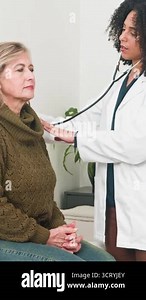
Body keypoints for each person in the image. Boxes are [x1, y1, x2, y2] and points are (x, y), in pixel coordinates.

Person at [41, 0, 146, 261]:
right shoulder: (122, 80)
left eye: (133, 32)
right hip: (115, 202)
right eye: (122, 29)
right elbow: (83, 120)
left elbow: (135, 145)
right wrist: (34, 121)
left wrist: (77, 138)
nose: (122, 37)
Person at [0, 41, 115, 261]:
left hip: (37, 233)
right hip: (7, 237)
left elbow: (43, 195)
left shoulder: (31, 127)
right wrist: (45, 237)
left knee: (105, 261)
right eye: (20, 69)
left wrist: (63, 233)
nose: (30, 76)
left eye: (31, 69)